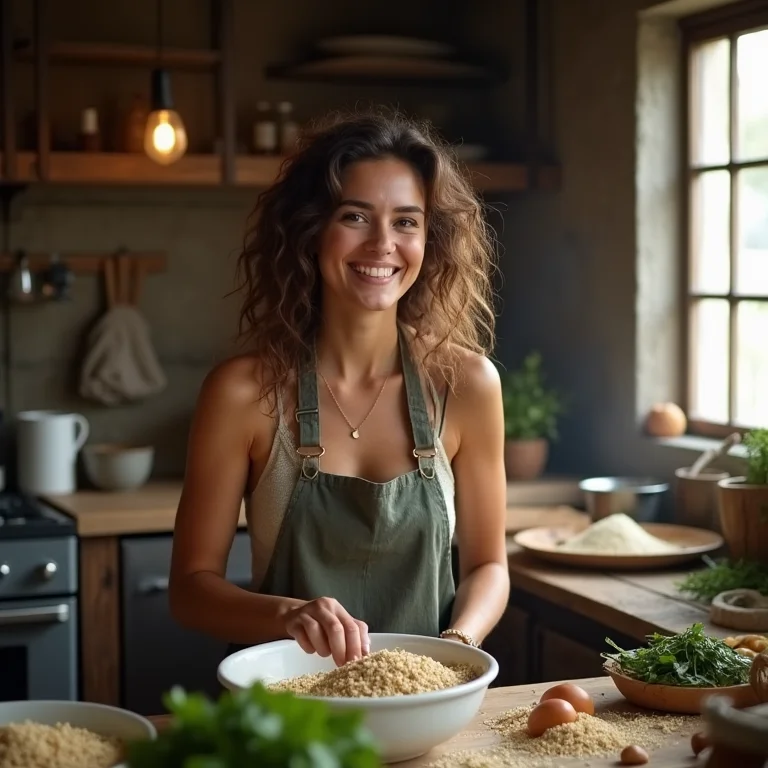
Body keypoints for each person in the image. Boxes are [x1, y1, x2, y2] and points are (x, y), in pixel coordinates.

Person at [169, 109, 510, 668]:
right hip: (285, 720)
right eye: (355, 216)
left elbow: (487, 567)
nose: (382, 244)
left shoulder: (468, 385)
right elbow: (189, 589)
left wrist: (457, 649)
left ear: (430, 239)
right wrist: (285, 616)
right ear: (311, 229)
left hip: (427, 705)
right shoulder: (242, 393)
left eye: (406, 221)